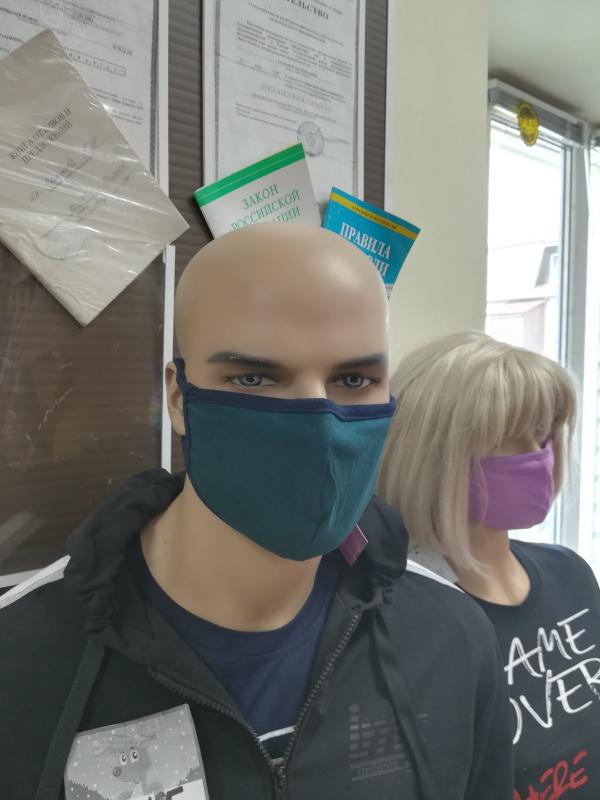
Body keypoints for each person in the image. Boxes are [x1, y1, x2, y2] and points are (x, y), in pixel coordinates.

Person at [0, 227, 513, 800]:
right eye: (254, 378)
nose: (318, 423)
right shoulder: (22, 659)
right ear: (179, 398)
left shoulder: (450, 636)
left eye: (353, 380)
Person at [378, 331, 600, 800]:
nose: (537, 453)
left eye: (543, 432)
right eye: (506, 438)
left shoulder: (571, 575)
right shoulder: (402, 619)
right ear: (433, 455)